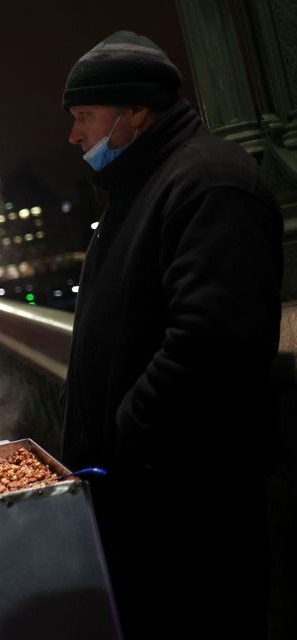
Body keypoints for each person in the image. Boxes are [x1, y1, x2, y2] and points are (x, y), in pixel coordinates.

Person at [60, 31, 283, 637]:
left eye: (85, 117)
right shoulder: (143, 187)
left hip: (190, 513)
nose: (75, 135)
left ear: (134, 109)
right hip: (145, 507)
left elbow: (213, 343)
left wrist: (125, 436)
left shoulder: (209, 184)